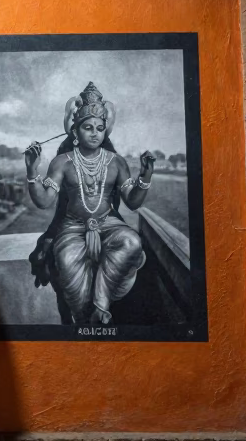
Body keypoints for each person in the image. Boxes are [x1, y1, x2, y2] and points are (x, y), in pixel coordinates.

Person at [23, 81, 154, 325]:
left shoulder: (116, 162)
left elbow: (132, 203)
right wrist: (32, 171)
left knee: (132, 241)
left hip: (109, 224)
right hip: (72, 227)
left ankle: (101, 303)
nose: (94, 132)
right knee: (65, 260)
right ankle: (85, 318)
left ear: (105, 131)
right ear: (75, 131)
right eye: (87, 127)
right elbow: (43, 201)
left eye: (100, 127)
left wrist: (145, 176)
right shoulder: (62, 162)